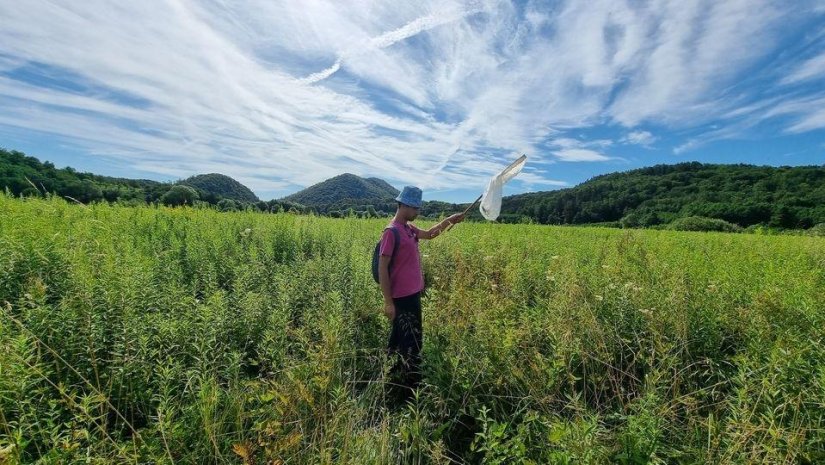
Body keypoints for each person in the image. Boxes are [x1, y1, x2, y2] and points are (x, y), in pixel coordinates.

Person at [377, 185, 465, 402]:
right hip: (401, 298)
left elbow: (430, 234)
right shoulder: (392, 232)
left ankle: (390, 375)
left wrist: (450, 220)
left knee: (399, 337)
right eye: (415, 207)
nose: (418, 211)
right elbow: (382, 268)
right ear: (404, 205)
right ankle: (411, 390)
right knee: (413, 341)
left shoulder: (409, 228)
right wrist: (388, 302)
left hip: (413, 294)